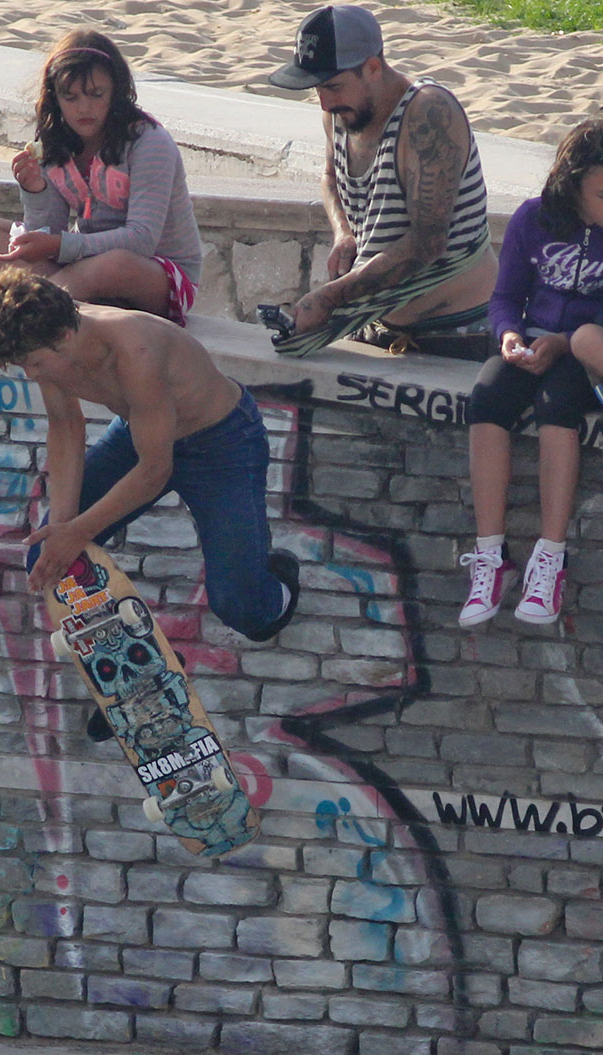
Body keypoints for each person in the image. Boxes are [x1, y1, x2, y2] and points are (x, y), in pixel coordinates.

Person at [0, 267, 299, 735]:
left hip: (222, 444)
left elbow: (154, 471)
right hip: (139, 434)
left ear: (64, 337)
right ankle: (143, 677)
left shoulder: (135, 349)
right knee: (50, 560)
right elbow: (65, 426)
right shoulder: (47, 340)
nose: (31, 373)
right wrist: (62, 533)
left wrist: (77, 532)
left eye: (35, 364)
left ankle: (277, 582)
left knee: (242, 609)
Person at [265, 4, 496, 359]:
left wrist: (330, 297)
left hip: (458, 334)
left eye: (333, 86)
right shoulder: (339, 112)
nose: (325, 102)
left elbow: (427, 243)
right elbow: (330, 178)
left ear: (373, 68)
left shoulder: (429, 114)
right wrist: (343, 233)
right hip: (375, 326)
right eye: (317, 89)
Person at [0, 29, 202, 326]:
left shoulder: (149, 142)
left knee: (111, 266)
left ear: (116, 92)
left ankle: (5, 298)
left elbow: (141, 240)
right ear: (55, 98)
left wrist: (58, 246)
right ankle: (61, 300)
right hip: (80, 265)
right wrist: (35, 192)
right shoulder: (56, 141)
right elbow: (47, 232)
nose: (84, 108)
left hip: (152, 274)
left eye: (96, 94)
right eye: (70, 97)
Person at [458, 120, 603, 628]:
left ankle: (551, 558)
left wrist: (563, 342)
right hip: (530, 340)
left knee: (556, 407)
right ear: (574, 182)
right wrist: (509, 336)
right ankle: (491, 556)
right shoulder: (532, 218)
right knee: (487, 399)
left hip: (580, 351)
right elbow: (504, 297)